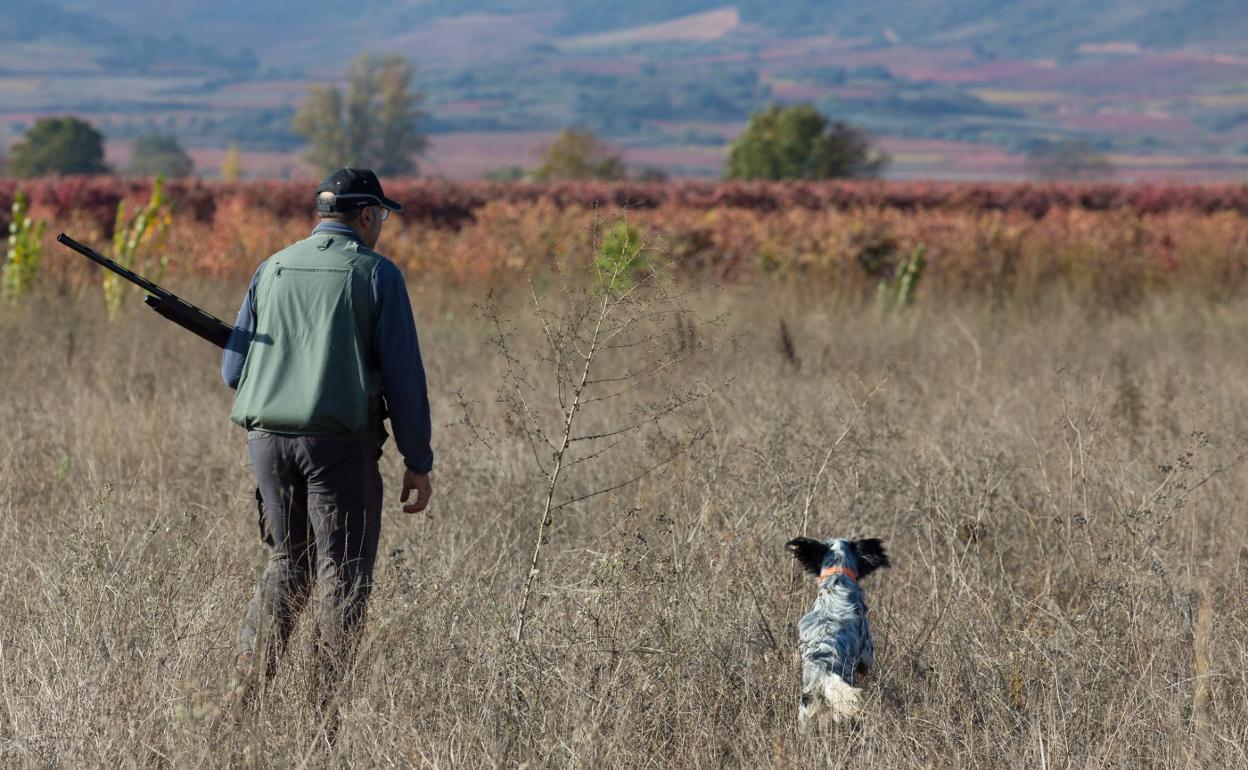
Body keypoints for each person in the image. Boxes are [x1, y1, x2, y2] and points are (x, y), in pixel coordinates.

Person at [221, 168, 433, 715]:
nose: (381, 226)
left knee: (288, 564)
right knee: (344, 575)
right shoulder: (377, 275)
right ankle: (322, 716)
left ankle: (242, 701)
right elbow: (404, 379)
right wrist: (418, 458)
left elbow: (231, 370)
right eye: (381, 216)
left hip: (267, 445)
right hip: (337, 448)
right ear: (366, 216)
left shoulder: (271, 268)